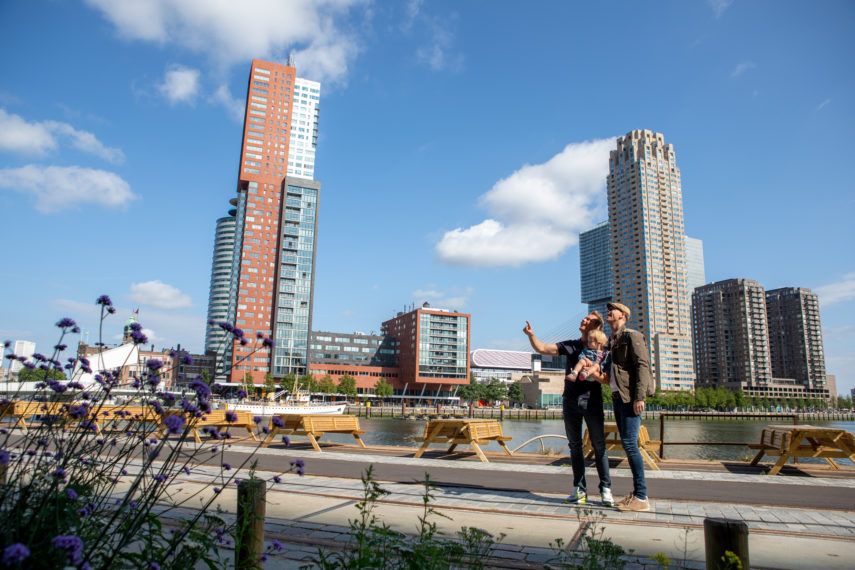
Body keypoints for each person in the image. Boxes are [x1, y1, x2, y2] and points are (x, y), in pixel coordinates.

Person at [523, 314, 613, 507]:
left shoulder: (602, 350)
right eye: (584, 318)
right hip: (570, 401)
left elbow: (606, 380)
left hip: (592, 401)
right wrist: (531, 335)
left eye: (589, 320)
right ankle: (579, 490)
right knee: (575, 446)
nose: (583, 320)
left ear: (596, 325)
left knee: (599, 445)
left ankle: (606, 489)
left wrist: (590, 371)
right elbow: (542, 348)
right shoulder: (571, 345)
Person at [600, 302, 653, 512]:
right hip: (617, 397)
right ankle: (637, 495)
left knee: (630, 445)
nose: (608, 312)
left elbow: (642, 365)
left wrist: (639, 397)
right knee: (627, 444)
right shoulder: (612, 340)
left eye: (612, 309)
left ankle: (641, 496)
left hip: (630, 397)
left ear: (622, 315)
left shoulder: (632, 336)